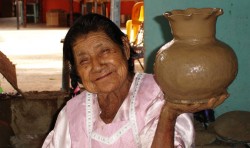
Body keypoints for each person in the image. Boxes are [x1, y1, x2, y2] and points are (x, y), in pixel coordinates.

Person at [42, 13, 228, 148]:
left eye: (104, 51)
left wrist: (169, 115)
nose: (97, 65)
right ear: (77, 72)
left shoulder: (161, 94)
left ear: (124, 48)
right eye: (84, 60)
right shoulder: (73, 113)